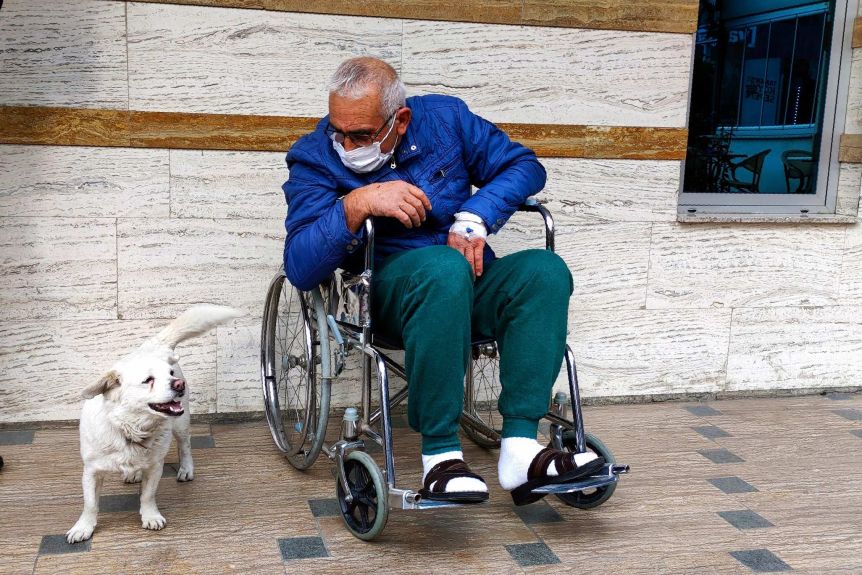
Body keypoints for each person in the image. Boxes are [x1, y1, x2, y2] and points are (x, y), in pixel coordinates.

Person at [282, 57, 603, 506]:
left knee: (544, 272)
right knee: (441, 269)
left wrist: (477, 215)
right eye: (338, 130)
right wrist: (357, 203)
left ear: (401, 119)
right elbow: (299, 266)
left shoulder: (446, 120)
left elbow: (524, 166)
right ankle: (440, 456)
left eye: (361, 135)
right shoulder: (315, 156)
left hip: (468, 279)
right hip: (388, 292)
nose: (345, 144)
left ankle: (520, 449)